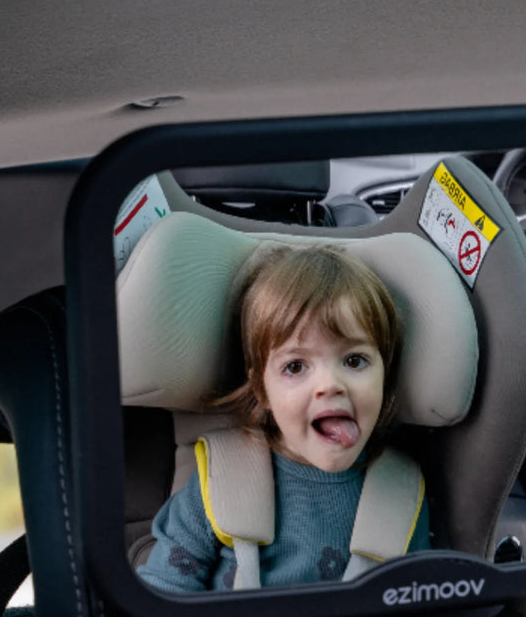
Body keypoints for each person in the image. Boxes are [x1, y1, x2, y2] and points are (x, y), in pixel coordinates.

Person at [139, 243, 430, 592]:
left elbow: (416, 611)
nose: (329, 385)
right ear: (262, 390)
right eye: (295, 366)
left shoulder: (402, 493)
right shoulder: (220, 483)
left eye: (354, 361)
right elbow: (162, 593)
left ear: (386, 373)